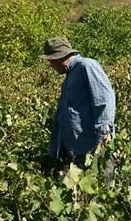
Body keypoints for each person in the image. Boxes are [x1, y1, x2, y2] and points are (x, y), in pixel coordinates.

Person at [41, 37, 116, 174]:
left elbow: (104, 97)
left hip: (93, 147)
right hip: (77, 150)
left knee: (99, 190)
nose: (51, 65)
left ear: (58, 58)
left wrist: (105, 130)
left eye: (50, 61)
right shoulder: (70, 75)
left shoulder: (86, 65)